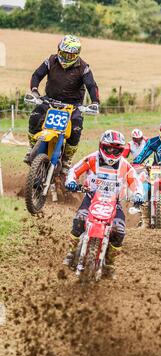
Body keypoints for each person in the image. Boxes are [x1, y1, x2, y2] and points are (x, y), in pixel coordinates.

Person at [64, 130, 143, 277]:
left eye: (117, 150)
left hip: (114, 202)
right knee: (79, 220)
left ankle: (110, 262)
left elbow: (136, 182)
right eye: (109, 149)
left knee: (119, 231)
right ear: (102, 146)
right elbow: (74, 170)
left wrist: (138, 194)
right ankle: (71, 252)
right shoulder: (92, 159)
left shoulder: (125, 165)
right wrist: (71, 182)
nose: (112, 154)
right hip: (91, 198)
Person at [24, 34, 100, 173]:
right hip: (49, 100)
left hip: (73, 106)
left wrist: (95, 102)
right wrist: (35, 91)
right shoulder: (51, 60)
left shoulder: (83, 67)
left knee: (76, 126)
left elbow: (91, 85)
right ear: (59, 50)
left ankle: (67, 159)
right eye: (63, 54)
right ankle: (32, 147)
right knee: (35, 116)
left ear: (76, 55)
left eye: (70, 56)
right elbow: (36, 75)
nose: (66, 58)